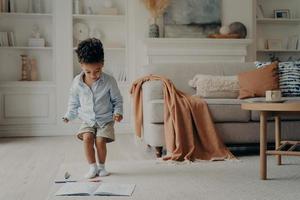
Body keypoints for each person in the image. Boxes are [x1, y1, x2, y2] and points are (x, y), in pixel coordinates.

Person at [63, 38, 123, 178]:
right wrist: (68, 115)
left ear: (102, 63)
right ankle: (92, 167)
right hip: (87, 119)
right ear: (81, 65)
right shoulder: (77, 83)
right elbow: (73, 102)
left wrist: (118, 112)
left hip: (106, 119)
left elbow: (117, 100)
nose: (93, 75)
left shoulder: (109, 81)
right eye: (88, 72)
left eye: (97, 70)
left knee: (100, 141)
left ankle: (102, 167)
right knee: (87, 138)